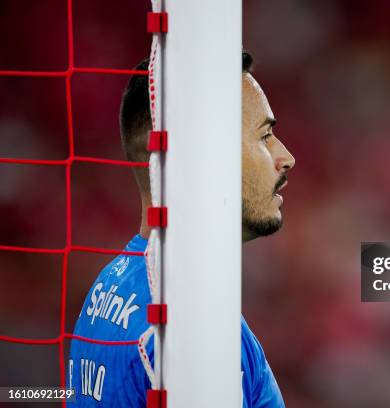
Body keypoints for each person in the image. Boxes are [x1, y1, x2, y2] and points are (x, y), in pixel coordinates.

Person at [67, 51, 295, 407]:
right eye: (264, 136)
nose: (286, 157)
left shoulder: (111, 286)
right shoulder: (191, 326)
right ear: (199, 155)